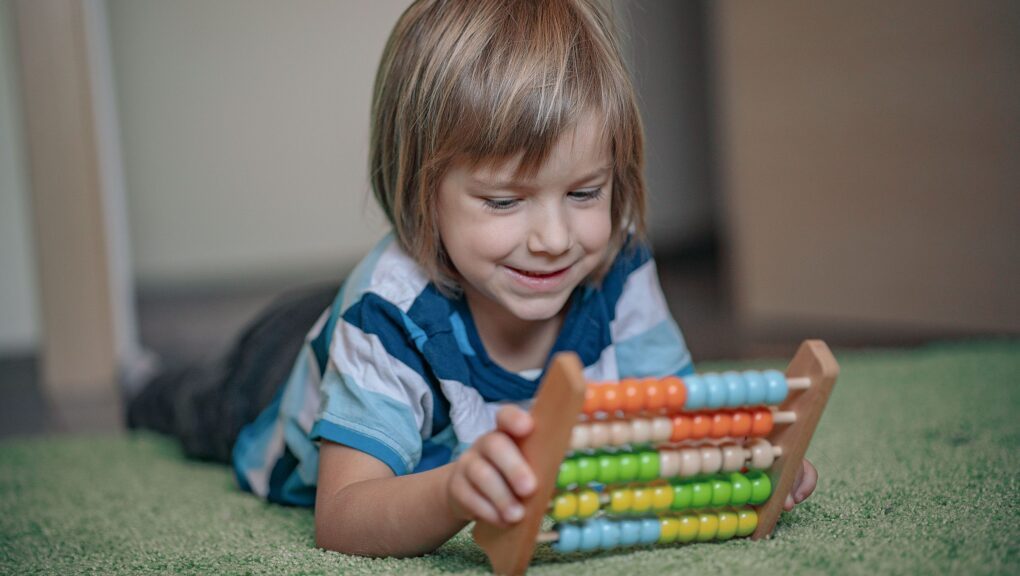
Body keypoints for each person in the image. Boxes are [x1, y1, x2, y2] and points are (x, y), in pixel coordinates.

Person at [130, 0, 817, 559]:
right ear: (421, 190)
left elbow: (674, 420)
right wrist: (452, 490)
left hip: (403, 317)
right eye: (504, 201)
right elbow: (340, 517)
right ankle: (142, 380)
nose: (553, 240)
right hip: (273, 376)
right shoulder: (386, 318)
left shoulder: (617, 264)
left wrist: (751, 466)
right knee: (193, 402)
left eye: (584, 193)